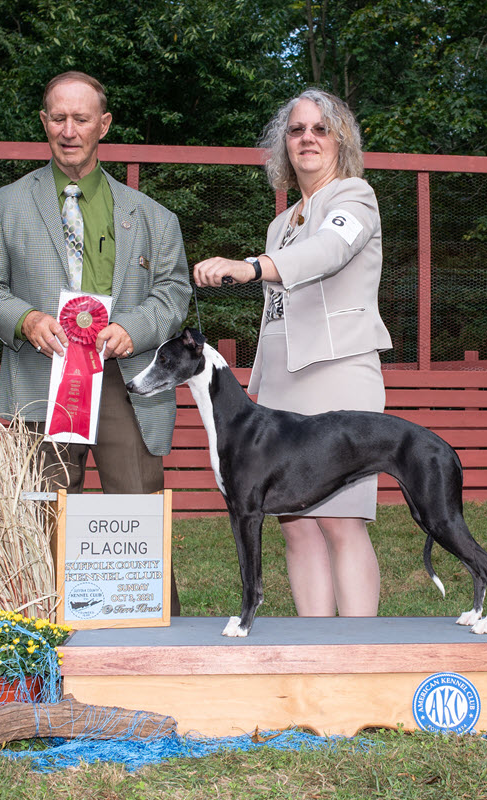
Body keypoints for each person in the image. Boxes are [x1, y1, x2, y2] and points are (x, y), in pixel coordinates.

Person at [0, 71, 191, 611]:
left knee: (136, 518)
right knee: (42, 519)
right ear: (44, 123)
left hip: (127, 382)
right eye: (58, 118)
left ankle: (159, 650)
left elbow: (175, 293)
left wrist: (131, 329)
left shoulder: (154, 217)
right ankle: (44, 648)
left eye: (81, 119)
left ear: (103, 125)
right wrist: (26, 321)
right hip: (45, 382)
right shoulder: (9, 202)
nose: (69, 130)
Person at [193, 89, 392, 618]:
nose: (307, 138)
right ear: (283, 144)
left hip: (339, 374)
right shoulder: (281, 225)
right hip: (282, 385)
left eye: (320, 129)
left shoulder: (355, 197)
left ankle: (356, 654)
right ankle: (314, 652)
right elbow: (277, 314)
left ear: (341, 140)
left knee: (341, 523)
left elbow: (328, 252)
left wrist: (253, 265)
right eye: (296, 130)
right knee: (297, 528)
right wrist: (260, 381)